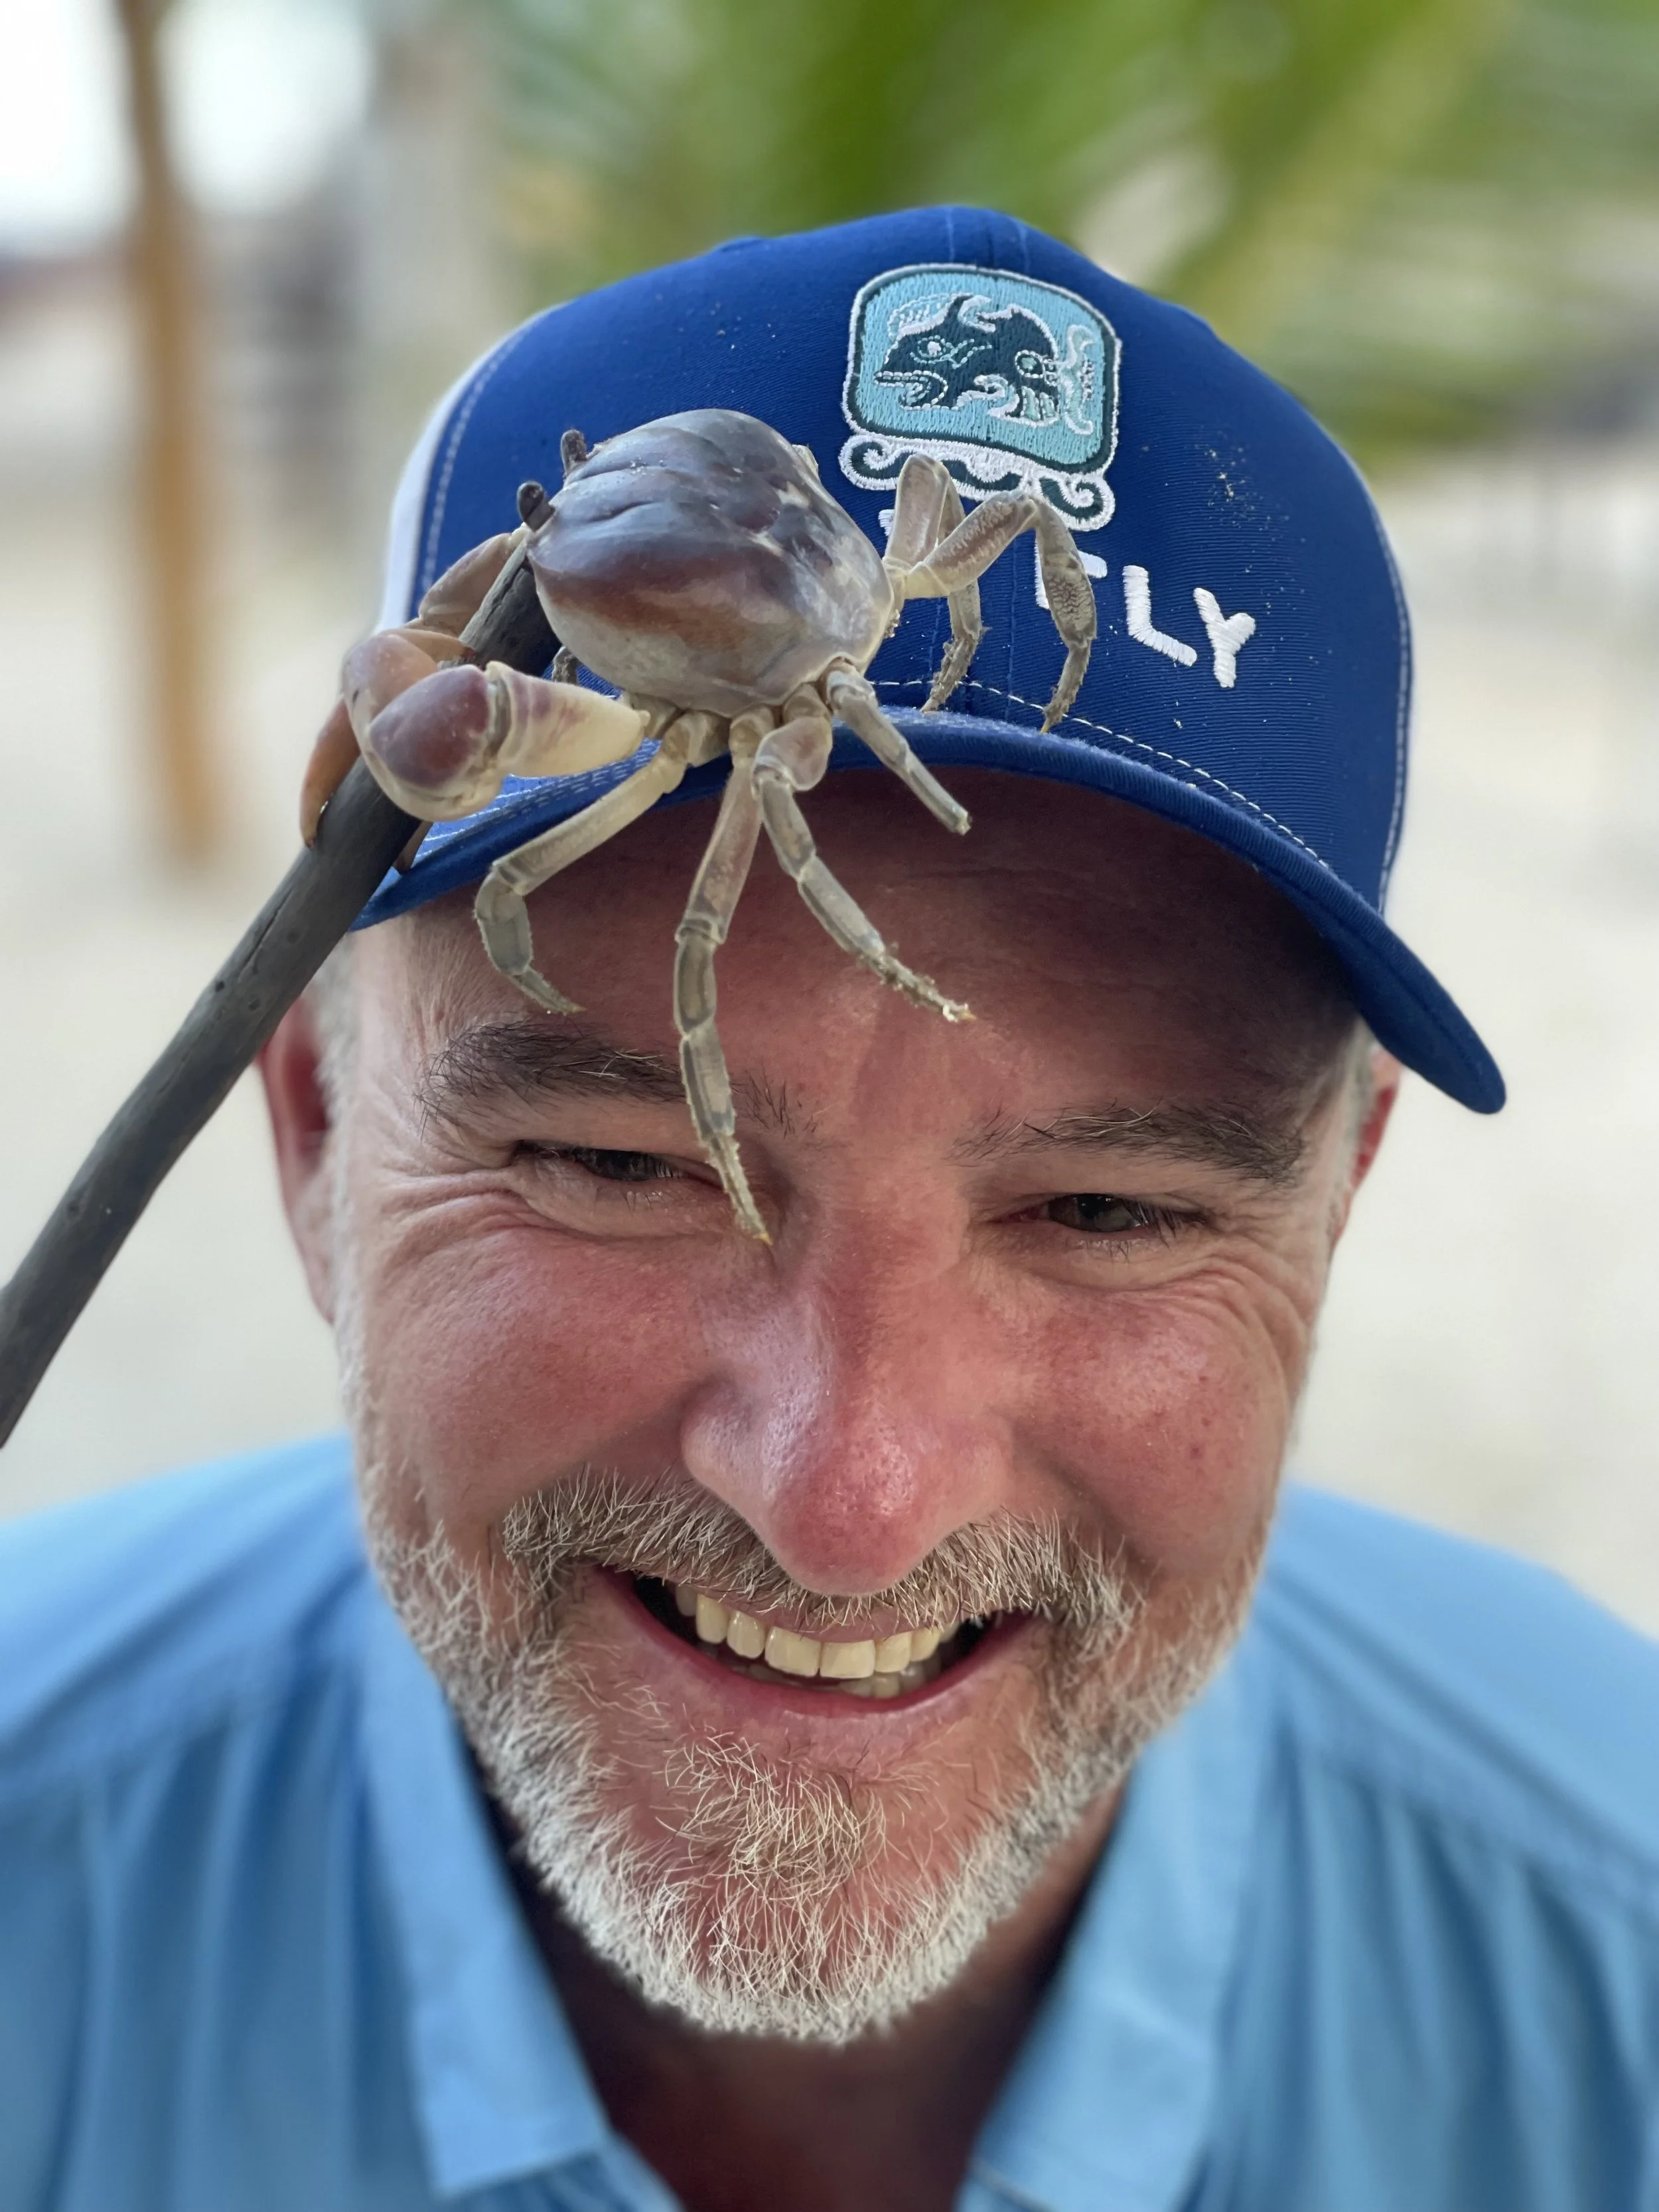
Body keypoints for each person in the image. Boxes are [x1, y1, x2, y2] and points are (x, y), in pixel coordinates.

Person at [1, 206, 1654, 2212]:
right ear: (317, 1133)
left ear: (1337, 1201)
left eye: (1112, 1210)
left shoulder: (1607, 1932)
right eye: (614, 1168)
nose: (846, 1497)